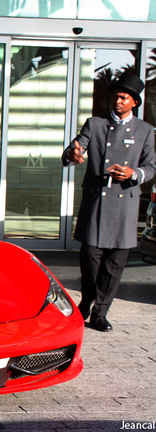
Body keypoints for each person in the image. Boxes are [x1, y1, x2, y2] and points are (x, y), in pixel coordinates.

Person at [62, 72, 156, 332]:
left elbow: (151, 166)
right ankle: (88, 299)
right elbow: (74, 149)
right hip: (95, 204)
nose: (118, 100)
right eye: (116, 96)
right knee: (90, 260)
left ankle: (100, 312)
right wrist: (74, 153)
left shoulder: (145, 131)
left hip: (124, 205)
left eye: (124, 97)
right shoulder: (95, 123)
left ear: (134, 102)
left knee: (114, 264)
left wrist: (133, 174)